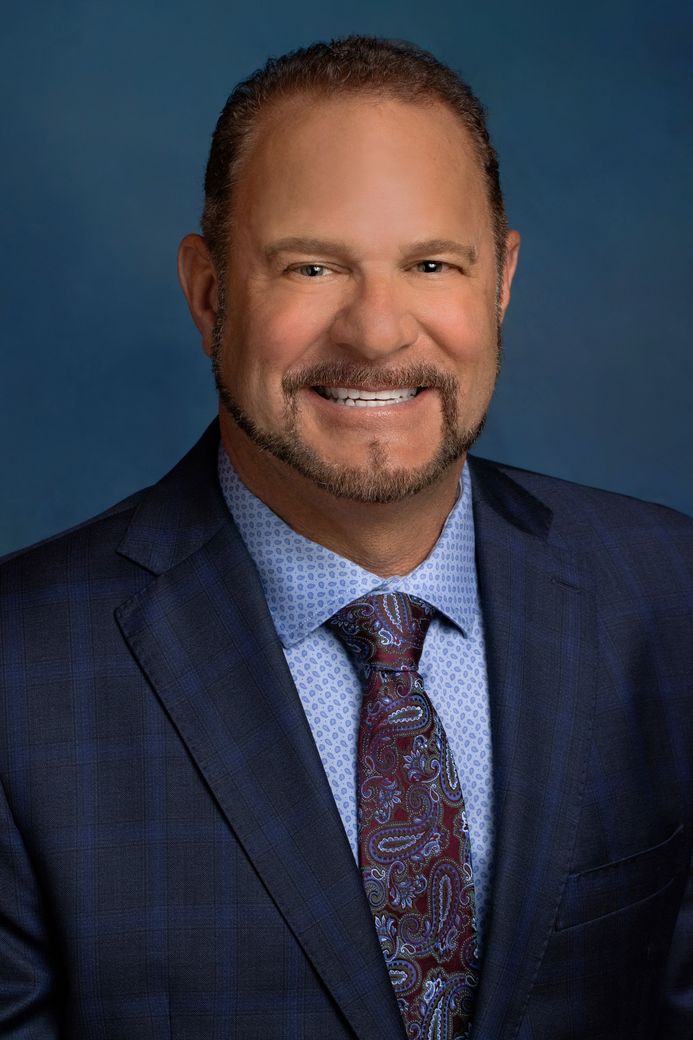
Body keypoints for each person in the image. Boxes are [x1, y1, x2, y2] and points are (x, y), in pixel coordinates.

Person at [0, 35, 691, 1040]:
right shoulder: (22, 673)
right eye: (312, 264)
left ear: (499, 280)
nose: (376, 331)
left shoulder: (669, 596)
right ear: (209, 294)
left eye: (430, 262)